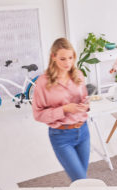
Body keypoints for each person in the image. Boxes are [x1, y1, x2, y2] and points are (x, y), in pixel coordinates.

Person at [32, 38, 90, 182]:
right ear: (53, 57)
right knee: (81, 180)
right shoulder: (43, 82)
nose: (67, 63)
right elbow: (38, 114)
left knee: (81, 182)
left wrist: (86, 106)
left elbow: (85, 99)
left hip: (83, 132)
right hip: (61, 136)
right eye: (62, 59)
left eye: (70, 58)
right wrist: (64, 109)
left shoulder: (78, 75)